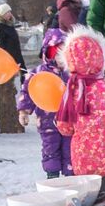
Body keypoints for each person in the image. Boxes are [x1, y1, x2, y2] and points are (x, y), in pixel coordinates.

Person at [55, 27, 105, 190]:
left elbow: (65, 128)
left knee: (95, 201)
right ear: (101, 58)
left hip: (86, 160)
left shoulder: (71, 93)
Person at [18, 27, 71, 177]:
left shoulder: (71, 74)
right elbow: (27, 92)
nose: (61, 58)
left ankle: (71, 176)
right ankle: (52, 175)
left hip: (69, 121)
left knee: (70, 149)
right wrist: (24, 111)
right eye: (57, 53)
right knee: (50, 148)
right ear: (49, 52)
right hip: (47, 121)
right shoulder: (38, 73)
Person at [0, 2, 26, 135]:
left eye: (10, 12)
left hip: (16, 58)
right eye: (7, 12)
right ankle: (12, 121)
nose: (9, 14)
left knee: (20, 86)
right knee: (11, 89)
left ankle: (19, 119)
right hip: (8, 61)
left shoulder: (9, 24)